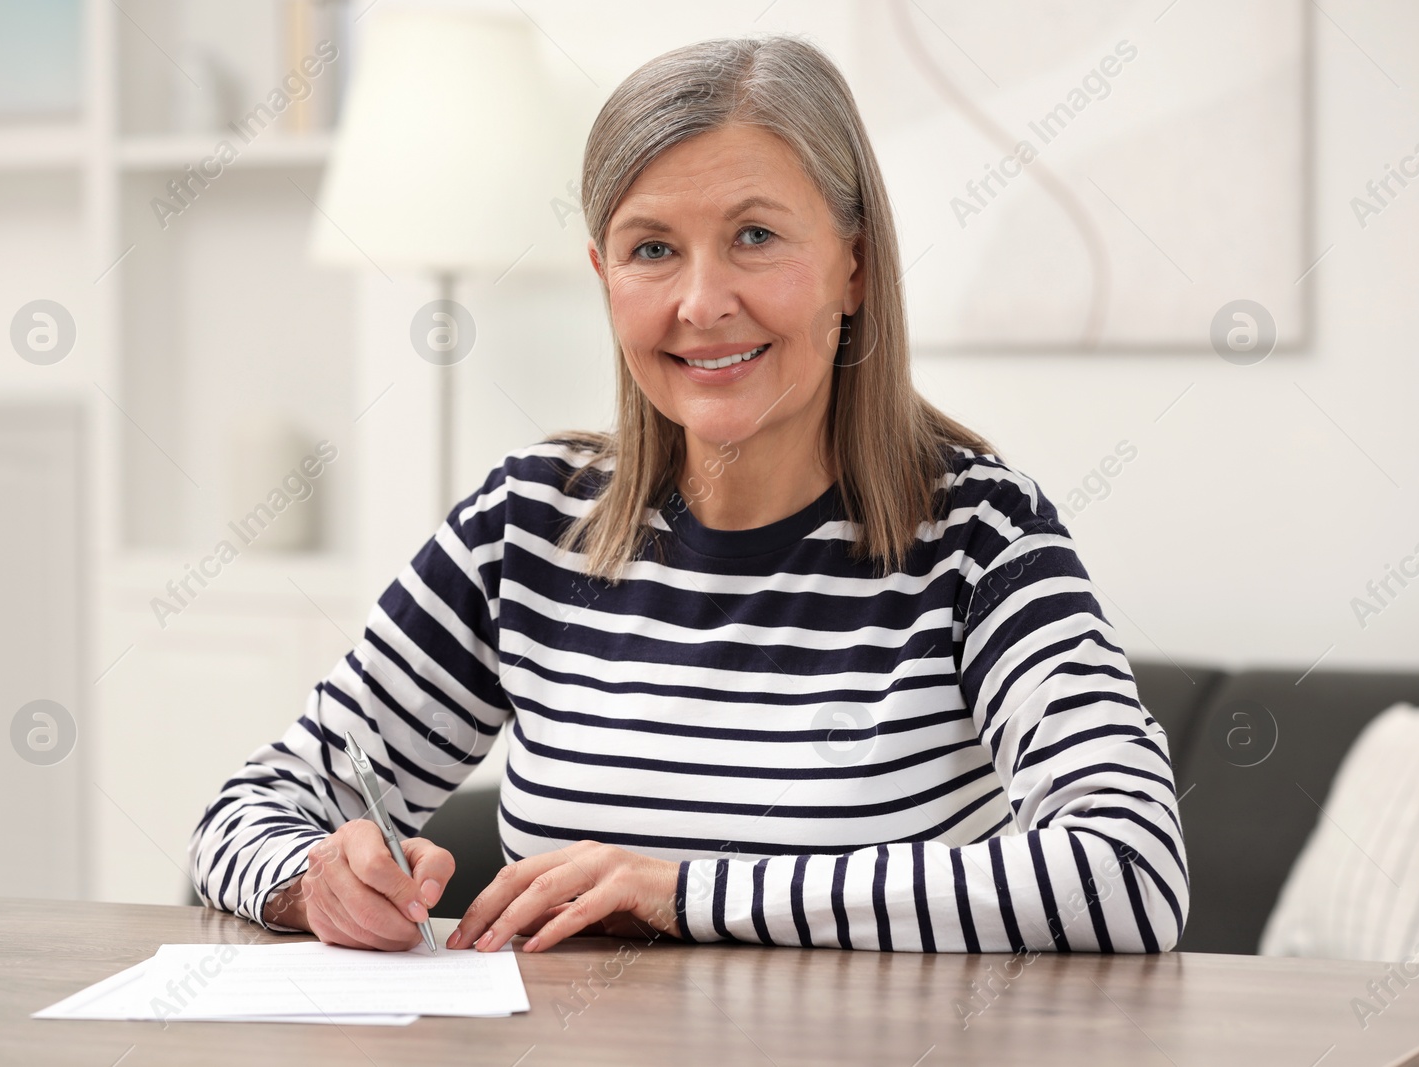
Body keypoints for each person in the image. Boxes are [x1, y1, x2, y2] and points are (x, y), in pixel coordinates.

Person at [188, 33, 1189, 956]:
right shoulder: (525, 527)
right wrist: (307, 880)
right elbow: (244, 814)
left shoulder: (981, 537)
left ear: (854, 266)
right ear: (603, 274)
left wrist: (684, 891)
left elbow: (1129, 871)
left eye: (755, 235)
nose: (702, 302)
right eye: (652, 248)